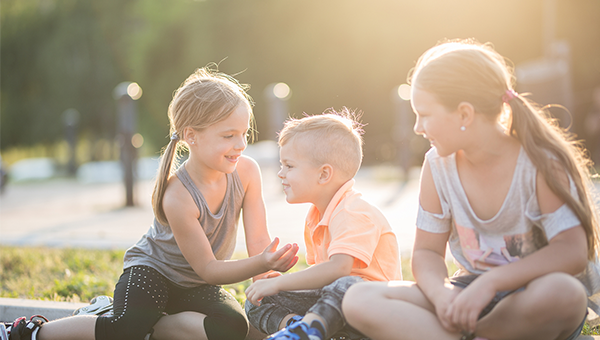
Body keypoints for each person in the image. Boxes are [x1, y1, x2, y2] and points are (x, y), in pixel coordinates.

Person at [4, 67, 299, 340]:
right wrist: (260, 262)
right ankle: (32, 331)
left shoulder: (247, 173)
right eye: (228, 135)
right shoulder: (178, 196)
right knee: (124, 328)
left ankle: (151, 326)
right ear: (191, 136)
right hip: (152, 273)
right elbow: (209, 268)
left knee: (233, 326)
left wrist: (267, 279)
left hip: (194, 285)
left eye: (244, 133)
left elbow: (258, 240)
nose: (240, 144)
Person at [342, 39, 600, 340]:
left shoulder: (540, 163)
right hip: (466, 295)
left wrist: (491, 283)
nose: (417, 127)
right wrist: (442, 296)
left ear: (464, 114)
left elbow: (571, 251)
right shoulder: (437, 166)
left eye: (424, 114)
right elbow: (426, 252)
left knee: (565, 294)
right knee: (359, 299)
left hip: (531, 296)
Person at [244, 109, 402, 340]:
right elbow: (322, 274)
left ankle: (314, 329)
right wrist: (284, 285)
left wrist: (284, 283)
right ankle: (298, 328)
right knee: (258, 300)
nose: (280, 173)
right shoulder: (317, 214)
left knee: (347, 285)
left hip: (371, 306)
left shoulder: (352, 211)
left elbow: (338, 269)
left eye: (289, 166)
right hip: (333, 303)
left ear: (323, 174)